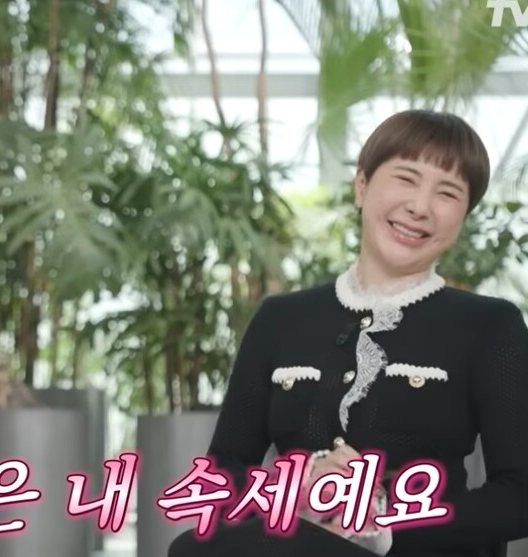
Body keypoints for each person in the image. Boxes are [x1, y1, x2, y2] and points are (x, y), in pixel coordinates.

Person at [168, 109, 528, 557]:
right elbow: (223, 476)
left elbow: (519, 494)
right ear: (361, 186)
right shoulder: (280, 320)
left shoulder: (490, 326)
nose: (420, 207)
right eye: (406, 178)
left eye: (448, 192)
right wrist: (300, 486)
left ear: (464, 215)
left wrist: (381, 517)